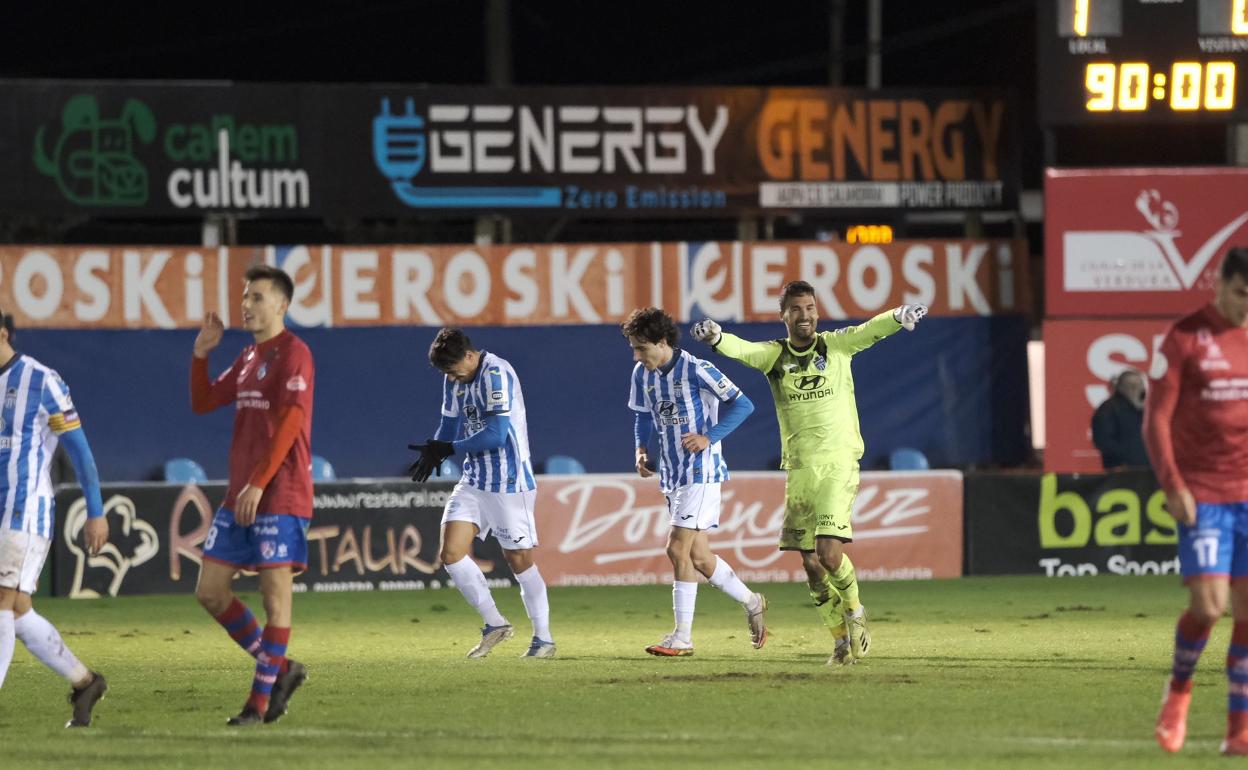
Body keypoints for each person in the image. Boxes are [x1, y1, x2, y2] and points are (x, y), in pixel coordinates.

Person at [691, 281, 927, 665]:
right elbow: (744, 350)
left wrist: (898, 317)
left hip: (838, 463)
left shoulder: (836, 346)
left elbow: (869, 331)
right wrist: (717, 338)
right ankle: (839, 643)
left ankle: (855, 610)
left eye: (811, 308)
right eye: (797, 309)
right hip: (800, 470)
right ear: (783, 315)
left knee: (829, 554)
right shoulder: (774, 356)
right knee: (812, 565)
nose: (806, 315)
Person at [190, 264, 314, 726]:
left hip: (280, 493)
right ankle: (280, 668)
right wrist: (201, 355)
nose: (246, 304)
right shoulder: (247, 357)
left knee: (275, 600)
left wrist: (259, 482)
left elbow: (292, 422)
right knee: (210, 591)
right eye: (245, 296)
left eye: (256, 297)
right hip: (241, 493)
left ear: (282, 304)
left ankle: (256, 706)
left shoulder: (295, 354)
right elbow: (204, 402)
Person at [1147, 247, 1248, 756]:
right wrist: (1173, 486)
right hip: (1204, 493)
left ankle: (1239, 730)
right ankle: (1179, 690)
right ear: (1218, 284)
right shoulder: (1185, 336)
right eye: (1240, 294)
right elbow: (1156, 419)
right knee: (1209, 608)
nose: (1246, 306)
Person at [622, 307, 767, 656]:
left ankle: (682, 638)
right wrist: (641, 449)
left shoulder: (697, 369)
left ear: (662, 342)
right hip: (672, 473)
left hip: (700, 472)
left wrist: (708, 437)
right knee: (700, 557)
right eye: (633, 348)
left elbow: (744, 405)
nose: (636, 355)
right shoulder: (642, 374)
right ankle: (753, 602)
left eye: (641, 348)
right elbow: (643, 415)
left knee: (676, 549)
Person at [409, 328, 555, 659]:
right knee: (451, 553)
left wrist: (450, 447)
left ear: (470, 355)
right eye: (447, 373)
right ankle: (495, 623)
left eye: (454, 370)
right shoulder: (454, 378)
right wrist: (435, 449)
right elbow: (448, 425)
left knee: (519, 560)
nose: (452, 377)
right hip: (474, 479)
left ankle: (543, 638)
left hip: (509, 480)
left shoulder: (496, 374)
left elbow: (496, 435)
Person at [0, 308, 110, 727]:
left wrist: (96, 511)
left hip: (24, 509)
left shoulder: (41, 379)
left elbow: (79, 450)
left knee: (1, 601)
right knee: (18, 610)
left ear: (4, 334)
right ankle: (85, 682)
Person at [1091, 368, 1150, 470]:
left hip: (1148, 469)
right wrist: (1127, 457)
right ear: (1121, 388)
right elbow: (1104, 440)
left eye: (1139, 385)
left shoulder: (1147, 409)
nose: (1136, 389)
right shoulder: (1109, 409)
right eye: (1131, 386)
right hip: (1121, 469)